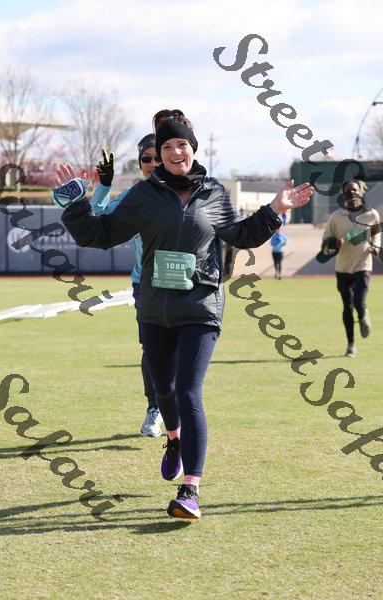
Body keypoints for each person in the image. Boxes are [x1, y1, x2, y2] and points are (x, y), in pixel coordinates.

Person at [57, 108, 313, 519]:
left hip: (201, 307)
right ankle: (174, 439)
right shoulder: (143, 195)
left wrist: (275, 209)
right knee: (164, 390)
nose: (176, 152)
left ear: (192, 149)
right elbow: (99, 235)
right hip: (155, 309)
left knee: (189, 391)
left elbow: (242, 234)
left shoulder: (213, 193)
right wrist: (74, 206)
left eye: (182, 145)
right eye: (168, 147)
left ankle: (190, 489)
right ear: (159, 154)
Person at [91, 135, 163, 438]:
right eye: (146, 159)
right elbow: (98, 215)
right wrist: (105, 185)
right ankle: (154, 408)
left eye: (158, 157)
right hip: (145, 283)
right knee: (152, 348)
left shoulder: (190, 191)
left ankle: (180, 408)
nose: (153, 163)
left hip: (185, 284)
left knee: (183, 351)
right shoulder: (134, 196)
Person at [321, 179, 381, 357]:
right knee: (347, 307)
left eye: (354, 190)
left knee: (358, 302)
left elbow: (376, 234)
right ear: (343, 194)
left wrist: (376, 247)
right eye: (347, 191)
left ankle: (362, 315)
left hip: (363, 264)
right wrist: (334, 243)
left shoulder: (371, 215)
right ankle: (351, 345)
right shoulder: (336, 217)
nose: (351, 193)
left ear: (361, 192)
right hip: (342, 267)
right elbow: (325, 244)